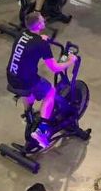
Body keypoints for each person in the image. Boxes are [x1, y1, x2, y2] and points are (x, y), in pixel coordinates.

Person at [6, 12, 77, 147]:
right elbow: (54, 68)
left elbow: (31, 42)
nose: (44, 20)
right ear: (39, 25)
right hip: (25, 80)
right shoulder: (41, 44)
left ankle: (29, 115)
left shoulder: (22, 34)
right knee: (50, 92)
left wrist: (40, 38)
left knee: (28, 90)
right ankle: (42, 130)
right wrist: (70, 61)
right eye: (42, 20)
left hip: (11, 76)